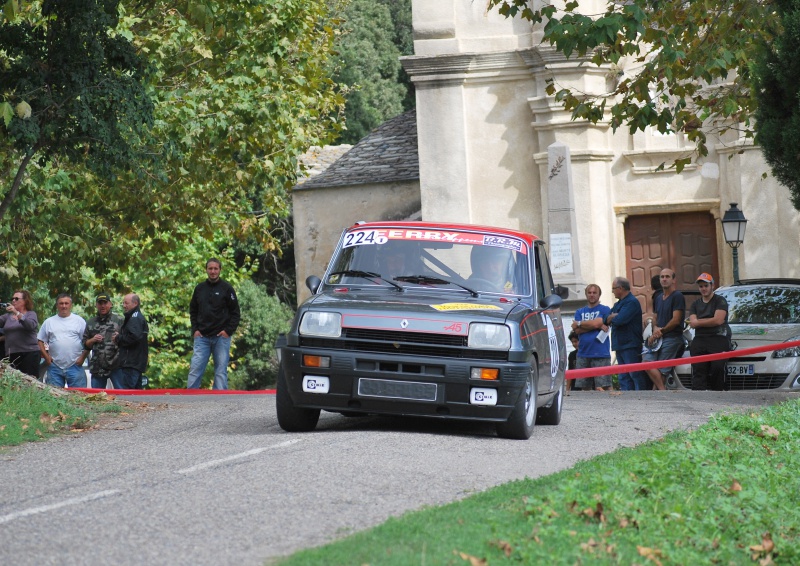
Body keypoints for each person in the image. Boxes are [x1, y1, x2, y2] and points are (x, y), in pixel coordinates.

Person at [187, 258, 240, 390]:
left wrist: (228, 331)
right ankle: (188, 400)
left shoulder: (227, 289)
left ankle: (220, 401)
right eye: (210, 268)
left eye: (215, 268)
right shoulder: (199, 289)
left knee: (220, 371)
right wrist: (195, 330)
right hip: (202, 337)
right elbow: (193, 310)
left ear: (220, 270)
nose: (213, 271)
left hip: (221, 338)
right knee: (195, 369)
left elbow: (236, 313)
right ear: (206, 270)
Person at [642, 269, 685, 390]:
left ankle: (661, 393)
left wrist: (660, 332)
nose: (664, 279)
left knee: (661, 372)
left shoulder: (677, 296)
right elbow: (656, 317)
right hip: (658, 338)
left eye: (667, 277)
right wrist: (654, 328)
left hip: (672, 338)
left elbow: (676, 320)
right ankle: (662, 392)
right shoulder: (659, 298)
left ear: (673, 280)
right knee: (647, 363)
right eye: (662, 277)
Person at [687, 273, 731, 390]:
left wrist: (699, 322)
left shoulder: (720, 300)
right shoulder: (695, 304)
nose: (703, 289)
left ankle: (718, 395)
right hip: (700, 339)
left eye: (706, 285)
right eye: (701, 286)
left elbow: (718, 320)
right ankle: (699, 397)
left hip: (719, 338)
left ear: (712, 286)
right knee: (698, 369)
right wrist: (706, 321)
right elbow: (692, 321)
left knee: (717, 368)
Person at [605, 277, 647, 390]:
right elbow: (605, 318)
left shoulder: (632, 302)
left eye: (613, 288)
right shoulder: (618, 304)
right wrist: (612, 316)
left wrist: (613, 317)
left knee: (634, 374)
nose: (612, 291)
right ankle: (627, 402)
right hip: (620, 344)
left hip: (630, 345)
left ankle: (641, 399)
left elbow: (620, 320)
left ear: (621, 288)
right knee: (623, 376)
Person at [37, 293, 87, 388]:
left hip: (75, 365)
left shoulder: (79, 321)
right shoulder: (49, 322)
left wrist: (82, 358)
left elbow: (87, 342)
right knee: (54, 398)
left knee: (79, 397)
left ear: (70, 305)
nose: (64, 306)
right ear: (57, 305)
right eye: (61, 303)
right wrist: (47, 357)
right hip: (55, 366)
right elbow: (40, 340)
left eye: (66, 303)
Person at [571, 284, 612, 391]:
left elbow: (594, 324)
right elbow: (577, 330)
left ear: (599, 295)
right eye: (589, 293)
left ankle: (611, 406)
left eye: (594, 293)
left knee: (604, 386)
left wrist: (580, 323)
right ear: (586, 294)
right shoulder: (580, 311)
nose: (592, 295)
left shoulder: (605, 309)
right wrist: (597, 325)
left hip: (601, 353)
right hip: (583, 353)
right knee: (584, 387)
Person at [82, 293, 123, 389]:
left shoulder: (119, 320)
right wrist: (93, 340)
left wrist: (119, 337)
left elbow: (127, 340)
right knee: (97, 398)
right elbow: (85, 344)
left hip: (116, 365)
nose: (102, 306)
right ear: (96, 305)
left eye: (105, 303)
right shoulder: (91, 322)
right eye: (100, 303)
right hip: (97, 366)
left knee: (123, 395)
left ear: (110, 304)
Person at [111, 293, 149, 389]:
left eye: (126, 303)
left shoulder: (135, 318)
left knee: (128, 394)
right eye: (123, 303)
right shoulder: (135, 317)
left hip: (131, 363)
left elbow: (134, 337)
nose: (124, 306)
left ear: (135, 303)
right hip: (136, 363)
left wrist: (118, 338)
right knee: (136, 394)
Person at [0, 290, 41, 377]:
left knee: (30, 382)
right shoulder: (7, 316)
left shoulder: (31, 314)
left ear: (25, 301)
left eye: (17, 298)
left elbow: (30, 325)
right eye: (12, 299)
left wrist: (16, 312)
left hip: (29, 353)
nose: (13, 301)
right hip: (11, 354)